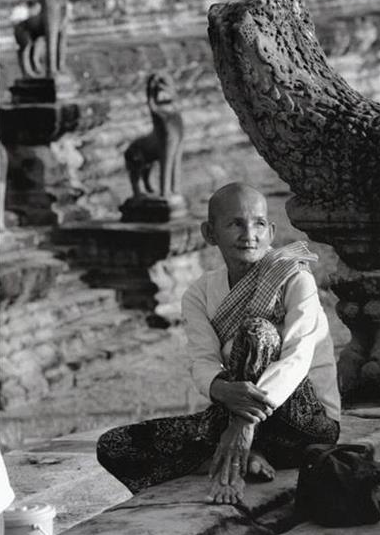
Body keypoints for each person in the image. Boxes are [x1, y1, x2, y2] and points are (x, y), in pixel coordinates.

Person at [97, 182, 340, 504]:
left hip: (303, 426)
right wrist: (218, 388)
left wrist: (241, 423)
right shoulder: (200, 292)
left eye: (258, 224)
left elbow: (297, 357)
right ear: (210, 233)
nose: (248, 234)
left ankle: (242, 444)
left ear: (271, 231)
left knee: (258, 332)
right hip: (233, 412)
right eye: (235, 223)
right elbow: (203, 361)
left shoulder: (294, 278)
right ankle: (245, 454)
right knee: (115, 444)